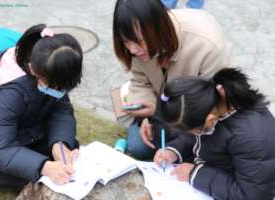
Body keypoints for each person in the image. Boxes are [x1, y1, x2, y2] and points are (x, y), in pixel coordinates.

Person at [113, 0, 233, 159]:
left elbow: (216, 109)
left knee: (197, 154)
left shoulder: (207, 47)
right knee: (138, 146)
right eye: (126, 41)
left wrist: (176, 147)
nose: (133, 50)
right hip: (166, 111)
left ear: (159, 28)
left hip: (199, 119)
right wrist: (148, 115)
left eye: (139, 41)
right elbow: (140, 81)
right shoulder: (135, 43)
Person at [0, 24, 83, 188]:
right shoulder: (6, 95)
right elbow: (0, 150)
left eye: (64, 88)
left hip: (27, 130)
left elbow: (62, 111)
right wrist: (44, 167)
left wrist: (59, 144)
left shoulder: (53, 73)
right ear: (33, 69)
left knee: (70, 150)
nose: (60, 92)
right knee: (18, 173)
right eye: (55, 87)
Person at [153, 68, 275, 199]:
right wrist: (174, 150)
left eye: (190, 130)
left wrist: (195, 174)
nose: (190, 134)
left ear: (210, 120)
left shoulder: (252, 139)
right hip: (217, 171)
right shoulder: (210, 104)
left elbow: (252, 196)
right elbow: (196, 136)